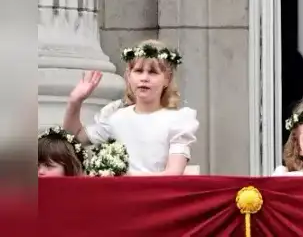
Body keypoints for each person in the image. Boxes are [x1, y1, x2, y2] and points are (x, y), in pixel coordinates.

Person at [61, 40, 199, 175]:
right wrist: (75, 101)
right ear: (128, 76)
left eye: (153, 72)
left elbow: (173, 173)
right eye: (138, 71)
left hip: (158, 194)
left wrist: (124, 176)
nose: (144, 78)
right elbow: (74, 138)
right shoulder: (116, 117)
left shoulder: (177, 120)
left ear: (167, 79)